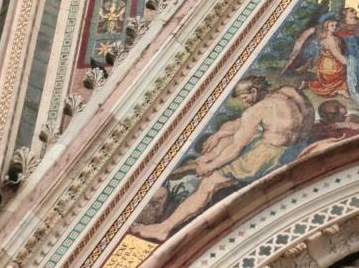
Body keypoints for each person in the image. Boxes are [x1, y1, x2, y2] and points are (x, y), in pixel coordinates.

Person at [134, 77, 314, 241]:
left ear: (253, 91)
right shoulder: (289, 94)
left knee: (208, 184)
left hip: (263, 156)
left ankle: (164, 228)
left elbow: (235, 148)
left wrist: (210, 166)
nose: (246, 102)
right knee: (239, 138)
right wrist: (220, 135)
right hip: (289, 151)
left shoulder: (258, 109)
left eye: (245, 98)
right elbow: (239, 125)